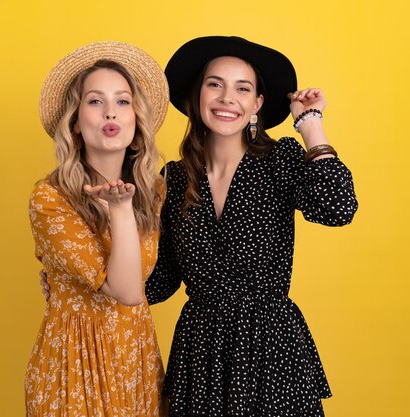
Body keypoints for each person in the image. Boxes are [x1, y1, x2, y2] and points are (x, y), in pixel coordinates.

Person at [144, 36, 358, 416]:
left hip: (270, 349)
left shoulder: (280, 160)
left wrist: (310, 125)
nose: (228, 98)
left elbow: (337, 208)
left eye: (243, 88)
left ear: (257, 104)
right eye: (215, 84)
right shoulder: (174, 180)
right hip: (202, 354)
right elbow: (161, 280)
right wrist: (88, 284)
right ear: (196, 98)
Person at [25, 41, 169, 417]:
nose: (110, 112)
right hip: (75, 362)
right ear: (75, 122)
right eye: (94, 101)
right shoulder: (50, 197)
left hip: (135, 357)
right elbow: (124, 291)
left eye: (123, 102)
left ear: (136, 120)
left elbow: (157, 279)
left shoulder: (155, 191)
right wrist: (120, 211)